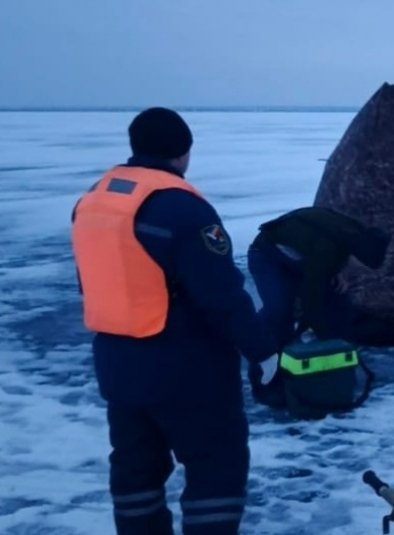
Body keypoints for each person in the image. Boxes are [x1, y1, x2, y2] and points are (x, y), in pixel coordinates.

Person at [71, 107, 273, 534]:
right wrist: (263, 351)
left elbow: (92, 281)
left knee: (135, 471)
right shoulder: (181, 209)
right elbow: (221, 297)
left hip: (117, 365)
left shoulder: (92, 202)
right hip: (187, 369)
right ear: (184, 152)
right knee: (215, 467)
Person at [246, 207, 394, 403]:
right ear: (356, 255)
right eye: (362, 267)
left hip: (299, 255)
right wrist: (324, 338)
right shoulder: (329, 249)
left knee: (339, 303)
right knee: (279, 311)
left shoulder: (353, 234)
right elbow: (311, 298)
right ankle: (266, 368)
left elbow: (324, 252)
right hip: (266, 255)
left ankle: (336, 363)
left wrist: (333, 272)